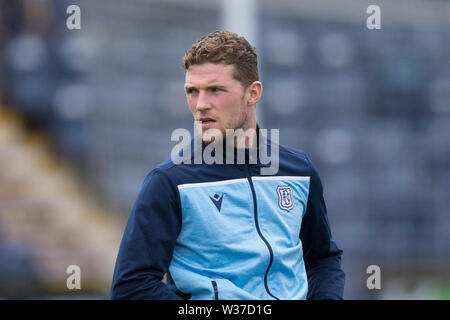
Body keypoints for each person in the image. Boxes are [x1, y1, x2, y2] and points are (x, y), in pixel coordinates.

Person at [111, 30, 345, 300]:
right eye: (192, 91)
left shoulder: (300, 171)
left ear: (252, 93)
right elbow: (132, 287)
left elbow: (322, 259)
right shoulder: (169, 182)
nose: (200, 105)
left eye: (215, 90)